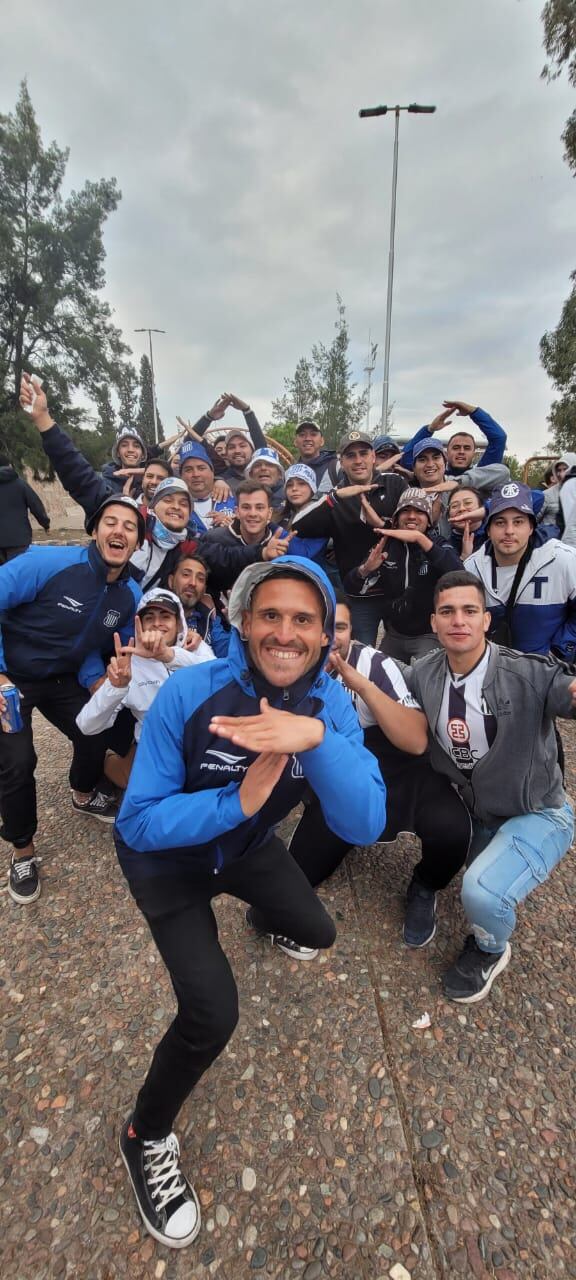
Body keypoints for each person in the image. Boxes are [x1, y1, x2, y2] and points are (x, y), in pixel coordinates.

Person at [114, 556, 386, 1249]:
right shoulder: (189, 693)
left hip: (246, 849)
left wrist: (318, 740)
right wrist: (234, 802)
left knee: (318, 931)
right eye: (271, 615)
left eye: (304, 619)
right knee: (212, 1014)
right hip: (168, 863)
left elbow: (364, 824)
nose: (286, 633)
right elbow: (138, 820)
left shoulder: (327, 707)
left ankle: (262, 912)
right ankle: (144, 1135)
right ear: (242, 621)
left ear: (326, 635)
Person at [402, 570, 575, 1003]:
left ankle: (489, 949)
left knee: (481, 891)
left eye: (469, 610)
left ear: (486, 620)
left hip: (536, 810)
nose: (458, 620)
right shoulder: (424, 673)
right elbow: (387, 694)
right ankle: (435, 887)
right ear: (434, 622)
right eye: (447, 612)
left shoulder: (527, 672)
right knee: (468, 873)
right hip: (477, 812)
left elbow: (564, 690)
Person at [276, 595, 472, 949]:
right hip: (341, 785)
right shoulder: (287, 666)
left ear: (352, 631)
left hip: (400, 771)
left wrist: (361, 685)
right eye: (321, 625)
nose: (330, 637)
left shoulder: (373, 663)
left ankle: (425, 885)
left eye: (340, 627)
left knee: (453, 830)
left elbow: (415, 741)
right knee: (295, 879)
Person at [0, 492, 143, 904]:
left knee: (97, 728)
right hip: (11, 678)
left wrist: (102, 677)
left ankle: (82, 793)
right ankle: (22, 849)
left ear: (138, 543)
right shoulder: (47, 563)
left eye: (130, 527)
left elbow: (103, 645)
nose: (119, 530)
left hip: (63, 678)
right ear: (94, 530)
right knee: (18, 762)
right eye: (111, 522)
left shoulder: (128, 593)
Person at [20, 380, 260, 595]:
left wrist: (264, 551)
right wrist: (44, 421)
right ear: (153, 505)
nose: (176, 507)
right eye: (168, 499)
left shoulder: (187, 545)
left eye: (183, 503)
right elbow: (80, 477)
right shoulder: (130, 519)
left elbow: (227, 559)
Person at [77, 589, 214, 787]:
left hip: (202, 746)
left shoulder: (196, 648)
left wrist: (170, 656)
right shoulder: (129, 663)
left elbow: (220, 682)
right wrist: (115, 688)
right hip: (155, 751)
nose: (157, 623)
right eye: (149, 617)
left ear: (179, 623)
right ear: (139, 626)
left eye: (165, 616)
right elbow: (87, 726)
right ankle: (115, 763)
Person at [291, 431, 407, 644]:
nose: (358, 460)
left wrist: (383, 525)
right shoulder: (336, 497)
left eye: (363, 453)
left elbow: (414, 526)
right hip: (359, 596)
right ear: (341, 462)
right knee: (360, 655)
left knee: (398, 656)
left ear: (373, 456)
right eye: (350, 455)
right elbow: (298, 525)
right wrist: (334, 497)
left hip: (398, 591)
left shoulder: (395, 484)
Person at [344, 488, 463, 662]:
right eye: (405, 511)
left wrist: (420, 539)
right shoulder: (386, 545)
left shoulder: (437, 544)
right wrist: (366, 569)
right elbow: (350, 586)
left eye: (420, 511)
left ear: (429, 520)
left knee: (423, 681)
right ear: (396, 518)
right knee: (380, 680)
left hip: (429, 636)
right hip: (394, 634)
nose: (412, 516)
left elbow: (459, 575)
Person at [464, 481, 576, 661]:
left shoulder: (563, 559)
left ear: (531, 527)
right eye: (500, 522)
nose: (509, 531)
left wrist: (559, 651)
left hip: (548, 674)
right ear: (489, 530)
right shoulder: (472, 568)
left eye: (518, 522)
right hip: (494, 674)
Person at [410, 437, 510, 538]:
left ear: (445, 462)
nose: (430, 464)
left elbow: (503, 473)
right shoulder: (409, 496)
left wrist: (458, 482)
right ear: (413, 468)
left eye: (436, 458)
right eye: (422, 459)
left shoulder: (463, 486)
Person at [401, 400, 507, 474]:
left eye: (467, 448)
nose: (461, 452)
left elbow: (499, 438)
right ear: (446, 454)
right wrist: (429, 429)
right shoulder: (431, 474)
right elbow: (404, 458)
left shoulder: (482, 476)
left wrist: (474, 412)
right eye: (456, 448)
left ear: (474, 454)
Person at [165, 554, 231, 657]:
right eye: (186, 575)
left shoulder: (209, 618)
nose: (193, 583)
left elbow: (228, 653)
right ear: (171, 581)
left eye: (200, 579)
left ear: (204, 590)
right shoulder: (155, 611)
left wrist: (238, 626)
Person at [0, 454, 50, 563]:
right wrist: (45, 524)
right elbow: (36, 505)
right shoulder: (20, 484)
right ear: (9, 466)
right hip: (19, 539)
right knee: (20, 574)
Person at [177, 441, 236, 530]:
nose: (196, 474)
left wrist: (233, 526)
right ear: (181, 476)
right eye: (188, 470)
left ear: (212, 472)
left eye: (201, 468)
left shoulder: (233, 496)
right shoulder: (176, 507)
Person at [293, 420, 340, 493]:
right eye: (302, 435)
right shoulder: (291, 473)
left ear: (322, 441)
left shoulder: (336, 468)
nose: (308, 438)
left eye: (313, 434)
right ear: (295, 442)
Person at [101, 426, 147, 494]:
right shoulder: (105, 484)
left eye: (136, 446)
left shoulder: (152, 482)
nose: (130, 450)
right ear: (117, 453)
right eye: (124, 445)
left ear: (143, 454)